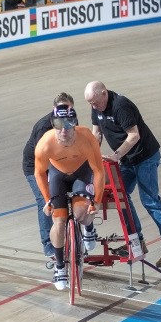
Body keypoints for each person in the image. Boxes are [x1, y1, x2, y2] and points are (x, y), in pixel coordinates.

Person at [84, 81, 161, 267]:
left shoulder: (121, 106)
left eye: (95, 102)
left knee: (150, 200)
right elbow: (96, 134)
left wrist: (116, 155)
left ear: (104, 93)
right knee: (120, 196)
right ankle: (136, 240)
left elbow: (134, 136)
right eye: (90, 103)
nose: (93, 106)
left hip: (145, 157)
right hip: (127, 160)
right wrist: (91, 157)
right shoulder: (96, 106)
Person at [34, 104, 104, 290]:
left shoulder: (87, 138)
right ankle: (59, 267)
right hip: (58, 174)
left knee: (82, 213)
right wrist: (47, 199)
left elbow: (98, 171)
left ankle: (88, 226)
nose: (64, 129)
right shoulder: (45, 144)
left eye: (68, 123)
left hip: (82, 173)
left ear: (75, 124)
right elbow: (39, 173)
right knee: (59, 222)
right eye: (59, 124)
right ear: (53, 124)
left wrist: (96, 201)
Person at [22, 93, 75, 258]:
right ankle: (48, 245)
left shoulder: (72, 120)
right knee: (45, 200)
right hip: (37, 166)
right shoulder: (44, 126)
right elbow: (44, 160)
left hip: (58, 161)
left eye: (69, 109)